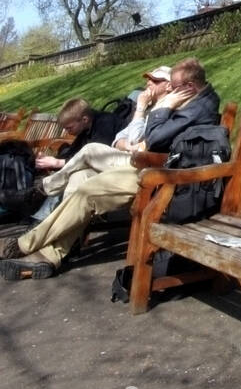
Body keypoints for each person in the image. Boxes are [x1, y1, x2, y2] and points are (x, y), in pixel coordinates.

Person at [0, 57, 220, 280]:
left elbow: (153, 139)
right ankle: (52, 254)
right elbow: (142, 138)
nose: (171, 89)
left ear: (190, 87)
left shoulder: (197, 108)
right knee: (80, 177)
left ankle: (26, 243)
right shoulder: (191, 101)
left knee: (88, 190)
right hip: (149, 165)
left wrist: (161, 108)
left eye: (174, 86)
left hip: (162, 176)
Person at [40, 67, 173, 200]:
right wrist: (128, 146)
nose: (148, 82)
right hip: (128, 155)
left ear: (169, 86)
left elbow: (133, 138)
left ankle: (42, 188)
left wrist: (140, 109)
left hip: (142, 165)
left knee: (90, 150)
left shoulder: (166, 109)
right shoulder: (148, 108)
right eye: (148, 79)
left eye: (156, 80)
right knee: (78, 177)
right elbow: (119, 138)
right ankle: (48, 218)